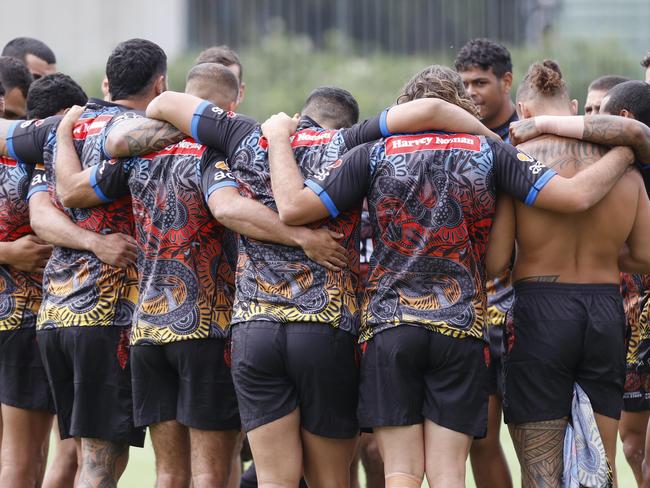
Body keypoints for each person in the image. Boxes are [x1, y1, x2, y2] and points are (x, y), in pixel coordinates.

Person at [259, 64, 636, 488]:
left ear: (405, 104)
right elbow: (570, 201)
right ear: (462, 105)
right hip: (459, 329)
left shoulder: (373, 152)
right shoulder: (491, 152)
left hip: (390, 327)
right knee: (448, 472)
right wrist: (628, 150)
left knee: (401, 470)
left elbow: (292, 209)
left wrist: (277, 140)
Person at [143, 83, 498, 487]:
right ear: (347, 120)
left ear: (303, 112)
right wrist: (493, 142)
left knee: (274, 480)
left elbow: (164, 102)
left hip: (255, 328)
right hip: (326, 328)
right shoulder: (351, 141)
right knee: (331, 481)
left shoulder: (244, 135)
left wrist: (274, 133)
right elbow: (432, 108)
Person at [54, 63, 350, 488]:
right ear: (229, 107)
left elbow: (80, 183)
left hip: (149, 329)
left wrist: (65, 135)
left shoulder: (138, 154)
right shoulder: (223, 153)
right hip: (209, 329)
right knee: (212, 473)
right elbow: (230, 208)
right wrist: (303, 238)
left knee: (169, 474)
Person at [0, 38, 174, 488]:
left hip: (53, 316)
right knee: (97, 465)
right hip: (108, 318)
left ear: (105, 82)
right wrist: (99, 245)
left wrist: (85, 240)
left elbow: (42, 213)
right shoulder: (143, 134)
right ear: (160, 84)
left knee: (67, 456)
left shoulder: (64, 129)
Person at [508, 73, 650, 488]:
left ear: (523, 111)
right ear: (573, 109)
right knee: (599, 462)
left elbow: (497, 259)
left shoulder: (515, 159)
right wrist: (606, 251)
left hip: (539, 306)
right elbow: (644, 254)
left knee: (540, 471)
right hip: (604, 308)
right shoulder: (623, 167)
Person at [454, 37, 518, 488]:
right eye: (464, 84)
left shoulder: (532, 134)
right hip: (473, 309)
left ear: (506, 81)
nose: (472, 92)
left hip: (527, 306)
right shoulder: (457, 139)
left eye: (481, 82)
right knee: (481, 436)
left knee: (535, 434)